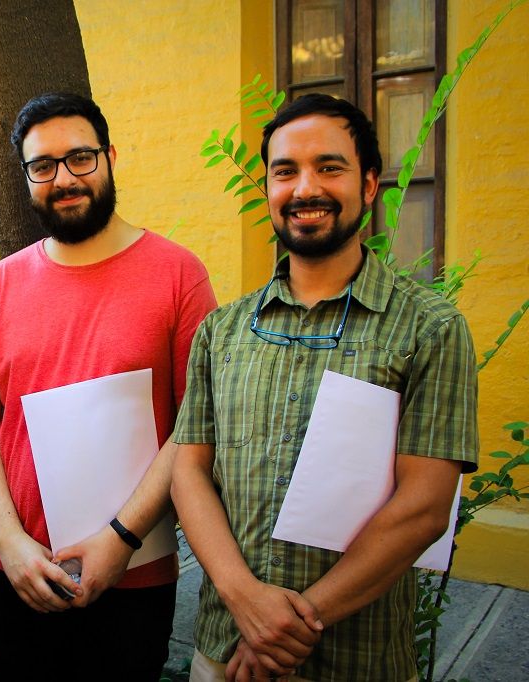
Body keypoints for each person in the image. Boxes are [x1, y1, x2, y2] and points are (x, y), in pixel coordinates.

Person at [170, 93, 478, 682]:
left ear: (369, 185)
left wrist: (287, 629)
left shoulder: (430, 329)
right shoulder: (222, 331)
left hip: (359, 660)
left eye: (329, 168)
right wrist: (245, 602)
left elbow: (423, 509)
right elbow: (189, 471)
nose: (305, 188)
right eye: (285, 171)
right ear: (268, 189)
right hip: (224, 650)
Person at [0, 92, 217, 680]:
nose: (64, 179)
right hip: (12, 572)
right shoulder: (2, 283)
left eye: (80, 158)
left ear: (110, 157)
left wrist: (121, 537)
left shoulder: (179, 274)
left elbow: (196, 425)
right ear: (26, 177)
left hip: (132, 574)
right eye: (43, 166)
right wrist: (9, 541)